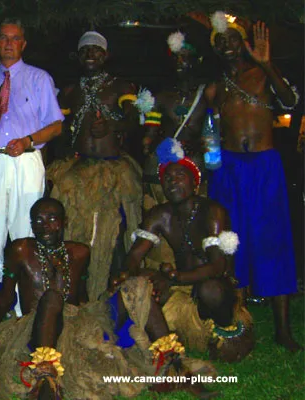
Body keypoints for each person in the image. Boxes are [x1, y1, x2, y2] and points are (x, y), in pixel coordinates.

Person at [0, 198, 214, 400]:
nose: (44, 225)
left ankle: (173, 365)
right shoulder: (21, 249)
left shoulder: (80, 252)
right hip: (39, 326)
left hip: (79, 324)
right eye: (37, 220)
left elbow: (82, 296)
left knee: (138, 285)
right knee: (52, 297)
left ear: (64, 222)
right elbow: (7, 295)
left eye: (52, 219)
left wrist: (99, 312)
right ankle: (46, 381)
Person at [205, 12, 301, 352]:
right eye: (221, 41)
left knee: (272, 240)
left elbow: (290, 101)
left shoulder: (261, 74)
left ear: (243, 43)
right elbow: (207, 131)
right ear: (216, 48)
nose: (227, 45)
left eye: (233, 38)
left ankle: (283, 330)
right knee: (232, 243)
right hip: (229, 169)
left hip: (264, 166)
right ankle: (237, 323)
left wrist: (268, 63)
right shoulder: (215, 88)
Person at [123, 137, 254, 362]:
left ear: (195, 182)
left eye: (179, 176)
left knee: (209, 290)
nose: (172, 182)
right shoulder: (160, 214)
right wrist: (131, 276)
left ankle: (223, 330)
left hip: (214, 283)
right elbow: (135, 255)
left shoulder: (212, 211)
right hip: (182, 288)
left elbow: (217, 266)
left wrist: (176, 278)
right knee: (143, 282)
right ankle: (170, 338)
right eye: (167, 179)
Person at [47, 31, 144, 301]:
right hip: (78, 170)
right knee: (76, 230)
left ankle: (114, 293)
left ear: (106, 55)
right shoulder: (69, 91)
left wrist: (112, 126)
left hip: (113, 171)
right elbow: (62, 131)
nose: (91, 54)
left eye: (97, 50)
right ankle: (77, 290)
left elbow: (134, 121)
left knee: (113, 232)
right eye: (85, 50)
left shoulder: (121, 86)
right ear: (78, 56)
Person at [0, 19, 64, 284]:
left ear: (23, 44)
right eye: (3, 38)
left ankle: (22, 301)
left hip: (26, 160)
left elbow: (56, 125)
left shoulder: (39, 78)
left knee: (26, 228)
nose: (9, 44)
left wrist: (28, 140)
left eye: (15, 39)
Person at [141, 30, 212, 271]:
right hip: (165, 167)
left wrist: (205, 148)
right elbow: (149, 133)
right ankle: (162, 269)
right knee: (164, 217)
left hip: (196, 168)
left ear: (196, 60)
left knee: (195, 222)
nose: (181, 63)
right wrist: (149, 148)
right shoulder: (161, 96)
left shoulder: (208, 93)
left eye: (186, 57)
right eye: (177, 57)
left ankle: (196, 270)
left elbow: (216, 130)